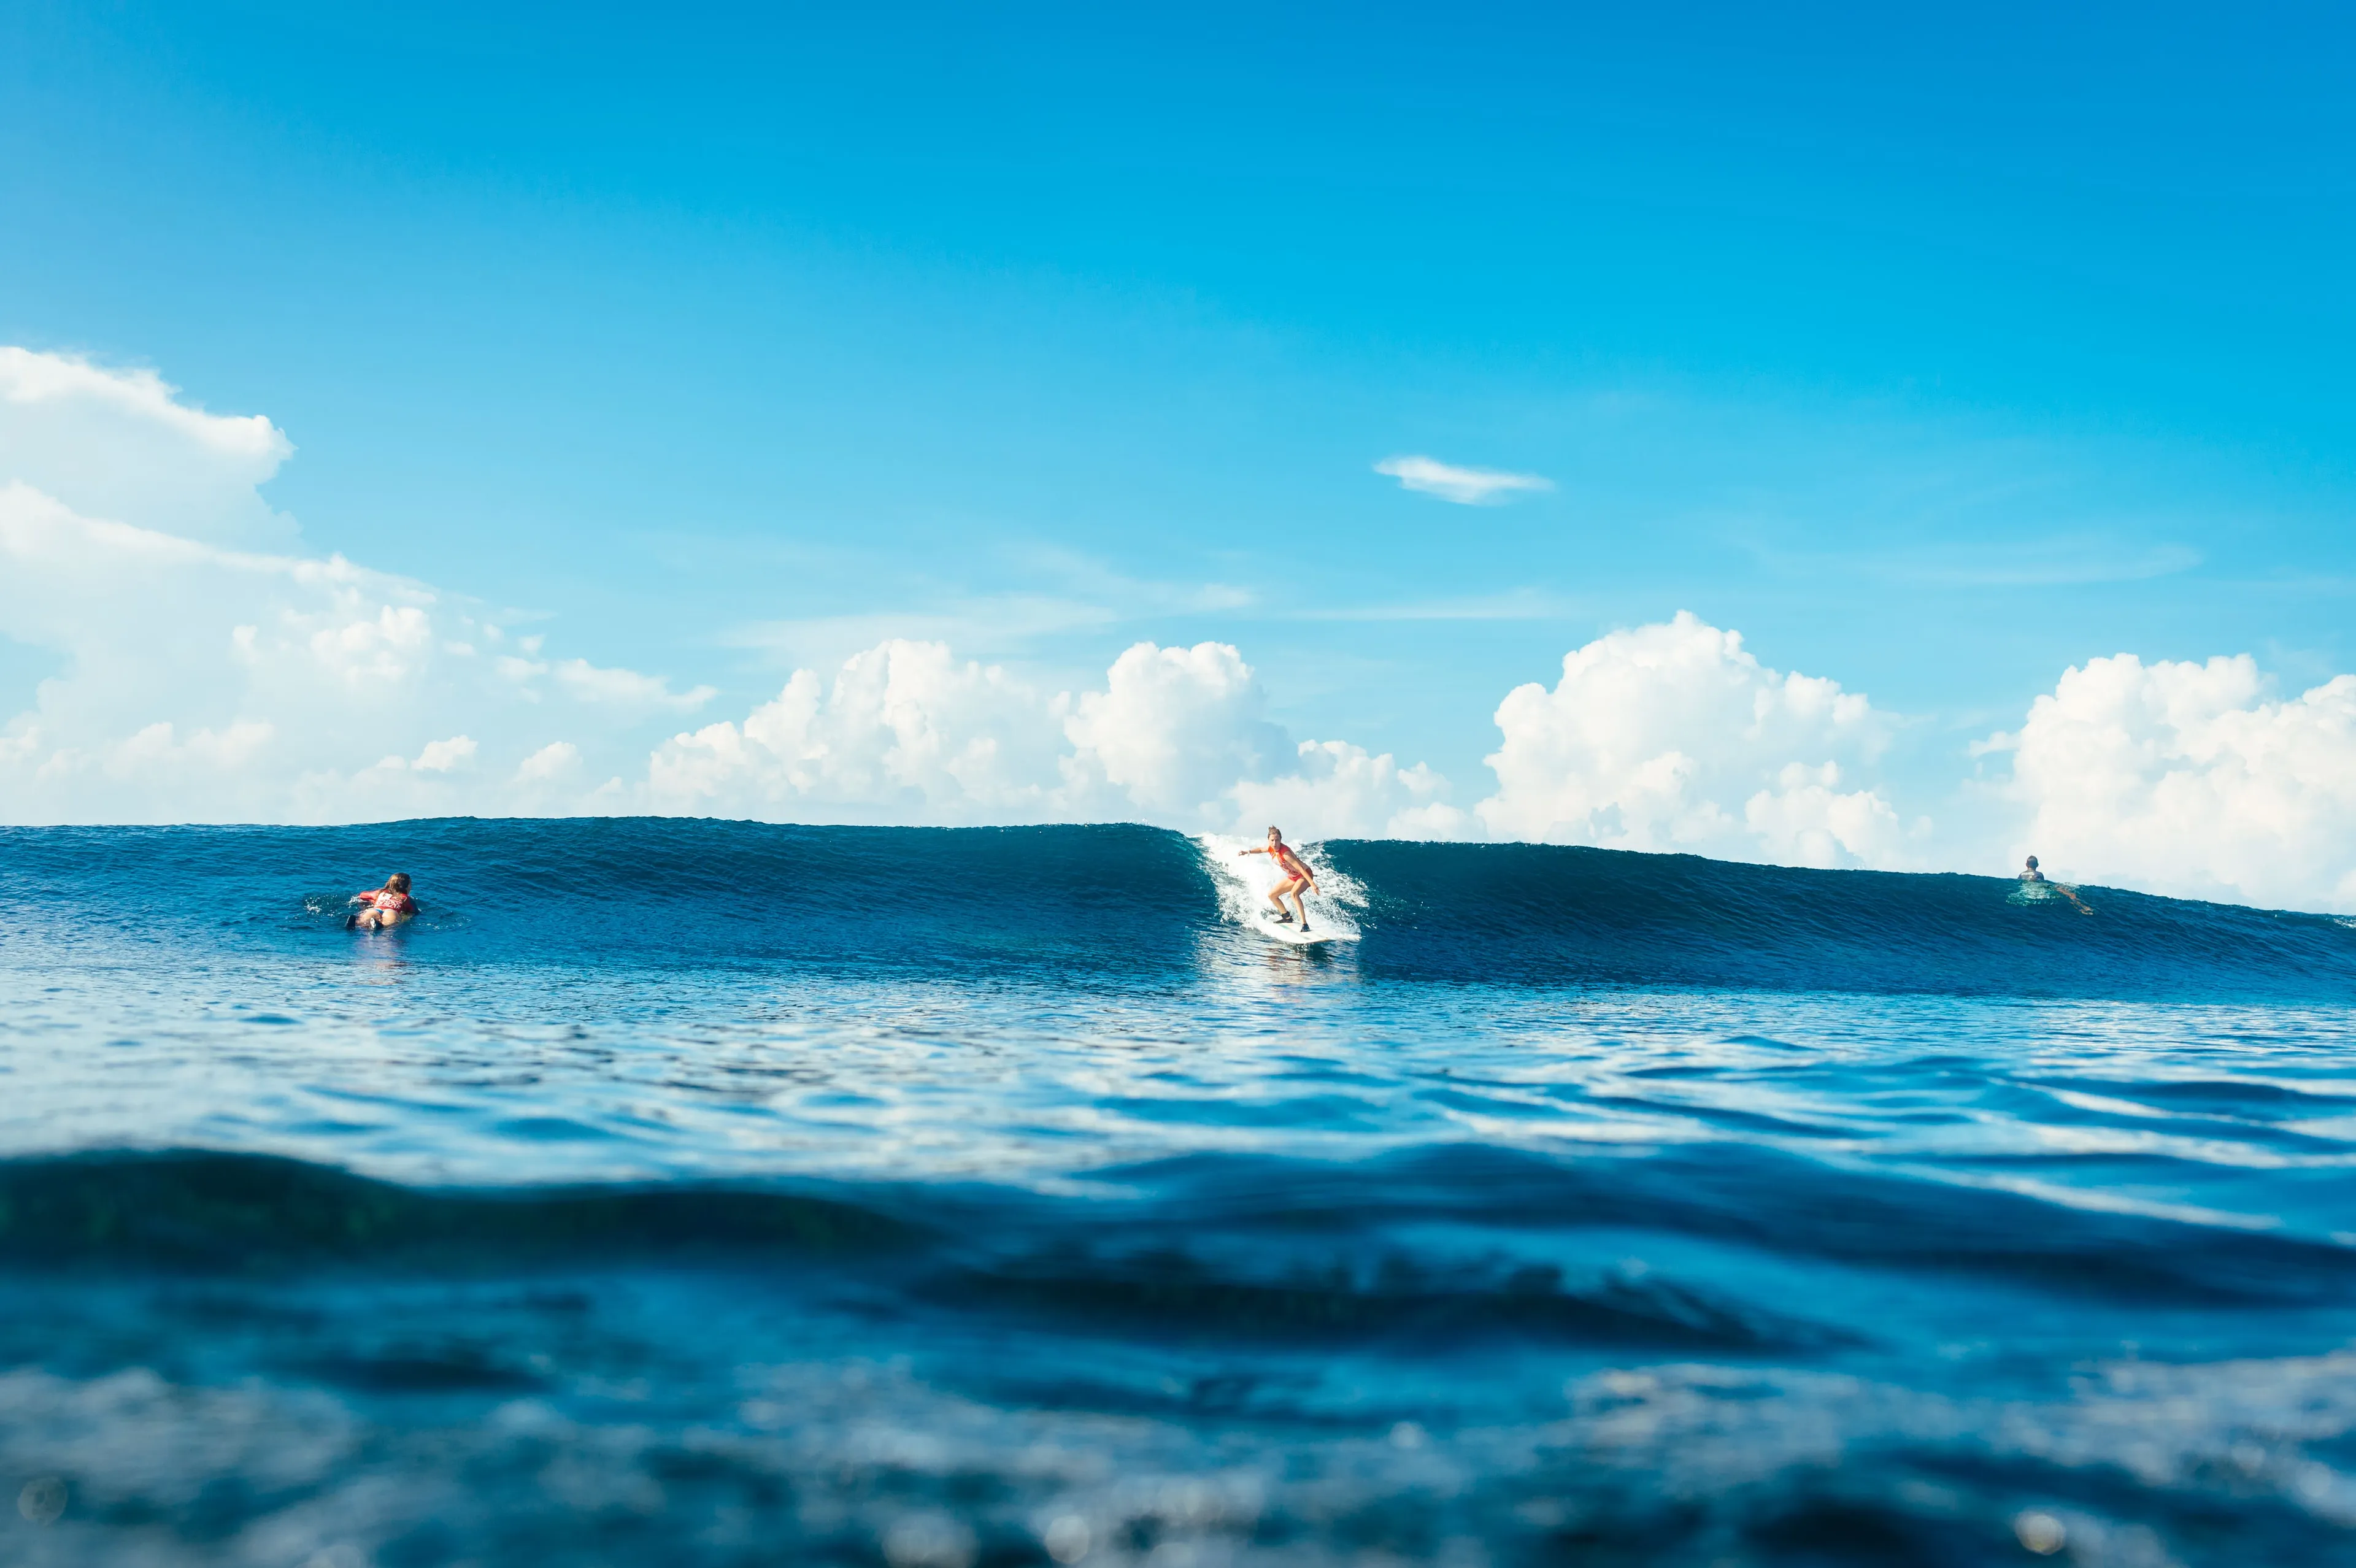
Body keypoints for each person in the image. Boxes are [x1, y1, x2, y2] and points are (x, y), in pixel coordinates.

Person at [1239, 826, 1319, 930]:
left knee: (1294, 894)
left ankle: (1305, 925)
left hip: (1304, 874)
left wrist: (1312, 884)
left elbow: (1301, 869)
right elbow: (1260, 849)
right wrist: (1248, 852)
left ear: (1281, 840)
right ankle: (1287, 917)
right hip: (1293, 876)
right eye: (1272, 840)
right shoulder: (1270, 848)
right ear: (1269, 840)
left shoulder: (1285, 854)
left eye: (1277, 840)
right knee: (1272, 895)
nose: (1274, 843)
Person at [2019, 855, 2091, 914]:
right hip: (2039, 886)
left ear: (2026, 865)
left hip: (2026, 888)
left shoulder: (2021, 875)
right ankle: (2083, 907)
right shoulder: (2039, 874)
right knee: (2065, 892)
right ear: (2037, 865)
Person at [348, 872, 418, 931]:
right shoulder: (406, 898)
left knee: (363, 921)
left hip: (375, 910)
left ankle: (356, 924)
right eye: (410, 884)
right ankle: (380, 926)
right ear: (406, 886)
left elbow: (362, 895)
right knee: (388, 923)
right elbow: (415, 912)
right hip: (391, 912)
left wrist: (373, 901)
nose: (411, 887)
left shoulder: (380, 893)